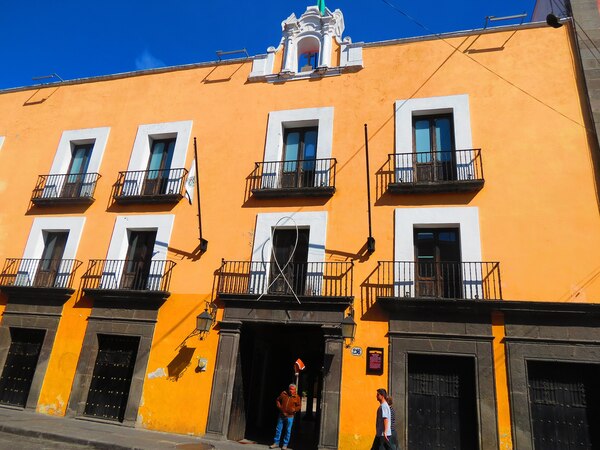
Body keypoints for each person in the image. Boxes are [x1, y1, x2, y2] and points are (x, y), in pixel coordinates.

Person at [270, 383, 302, 450]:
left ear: (295, 390)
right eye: (290, 389)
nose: (291, 391)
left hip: (290, 416)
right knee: (278, 429)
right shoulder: (284, 394)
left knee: (288, 430)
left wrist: (295, 409)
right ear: (288, 389)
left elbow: (299, 406)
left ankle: (285, 445)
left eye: (293, 389)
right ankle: (276, 443)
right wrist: (280, 407)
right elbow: (278, 400)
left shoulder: (297, 397)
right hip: (282, 414)